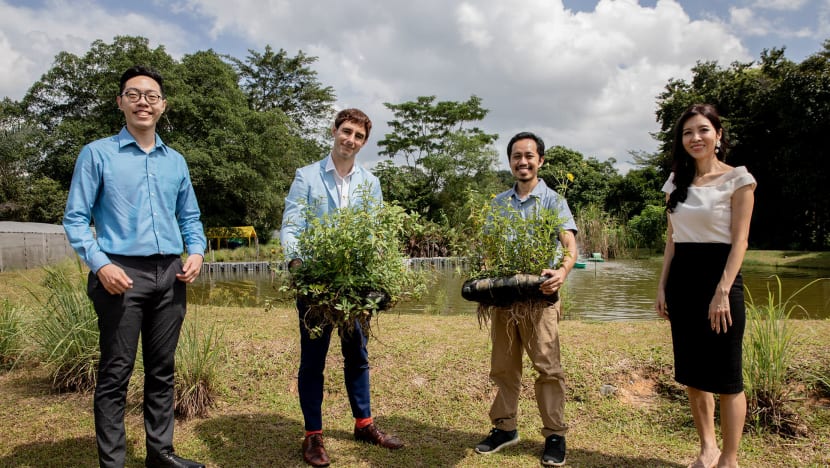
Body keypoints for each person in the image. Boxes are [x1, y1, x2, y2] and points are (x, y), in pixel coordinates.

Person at [63, 65, 206, 468]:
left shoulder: (175, 162)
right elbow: (75, 218)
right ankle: (114, 464)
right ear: (120, 102)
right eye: (134, 94)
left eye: (151, 96)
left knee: (162, 369)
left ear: (163, 106)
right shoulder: (98, 153)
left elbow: (190, 217)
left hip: (171, 274)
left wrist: (195, 251)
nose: (143, 101)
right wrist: (100, 265)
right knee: (115, 374)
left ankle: (160, 453)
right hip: (119, 275)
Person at [280, 108, 403, 467]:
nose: (350, 139)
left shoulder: (370, 182)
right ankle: (313, 436)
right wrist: (297, 263)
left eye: (359, 136)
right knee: (313, 360)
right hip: (316, 283)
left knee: (358, 356)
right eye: (346, 131)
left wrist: (380, 270)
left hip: (356, 287)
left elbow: (377, 232)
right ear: (334, 131)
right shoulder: (306, 176)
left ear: (364, 142)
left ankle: (363, 424)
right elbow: (291, 224)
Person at [654, 103, 755, 468]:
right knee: (693, 374)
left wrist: (723, 290)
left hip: (720, 280)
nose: (695, 138)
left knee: (728, 376)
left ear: (718, 135)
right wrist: (662, 286)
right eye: (687, 132)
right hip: (682, 281)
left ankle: (729, 458)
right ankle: (707, 448)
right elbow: (672, 239)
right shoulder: (675, 182)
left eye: (702, 130)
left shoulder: (739, 179)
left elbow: (740, 240)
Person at [474, 132, 578, 467]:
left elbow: (569, 246)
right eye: (517, 156)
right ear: (510, 162)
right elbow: (489, 250)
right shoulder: (499, 203)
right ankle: (505, 428)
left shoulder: (553, 201)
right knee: (503, 367)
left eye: (529, 156)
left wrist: (562, 272)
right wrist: (486, 280)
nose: (523, 161)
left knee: (547, 368)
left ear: (540, 160)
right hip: (505, 299)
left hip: (540, 297)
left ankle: (555, 435)